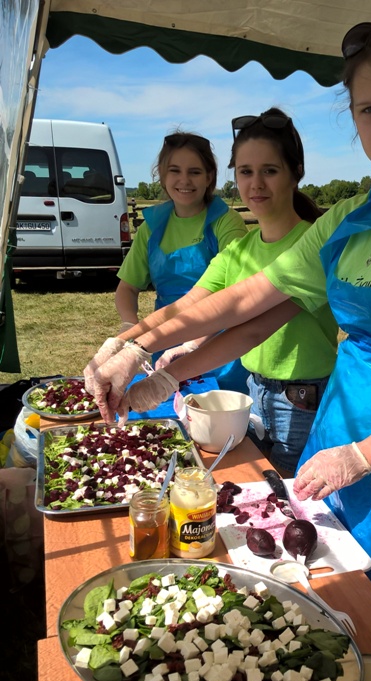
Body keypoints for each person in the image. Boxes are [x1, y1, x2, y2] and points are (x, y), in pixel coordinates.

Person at [86, 11, 371, 651]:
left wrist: (365, 454)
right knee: (328, 585)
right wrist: (139, 351)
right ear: (351, 117)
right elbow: (245, 303)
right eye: (368, 109)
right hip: (341, 418)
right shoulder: (350, 217)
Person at [91, 110, 338, 474]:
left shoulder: (310, 244)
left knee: (287, 497)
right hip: (253, 391)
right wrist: (119, 345)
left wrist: (164, 376)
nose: (256, 185)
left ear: (295, 172)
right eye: (245, 172)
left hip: (301, 399)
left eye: (270, 171)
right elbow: (186, 306)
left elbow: (251, 327)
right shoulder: (241, 250)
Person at [115, 130, 249, 391]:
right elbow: (127, 288)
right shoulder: (152, 227)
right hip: (164, 342)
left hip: (220, 345)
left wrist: (191, 344)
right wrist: (129, 326)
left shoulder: (227, 223)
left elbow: (235, 295)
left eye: (195, 172)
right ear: (162, 176)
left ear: (210, 176)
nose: (184, 180)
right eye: (175, 171)